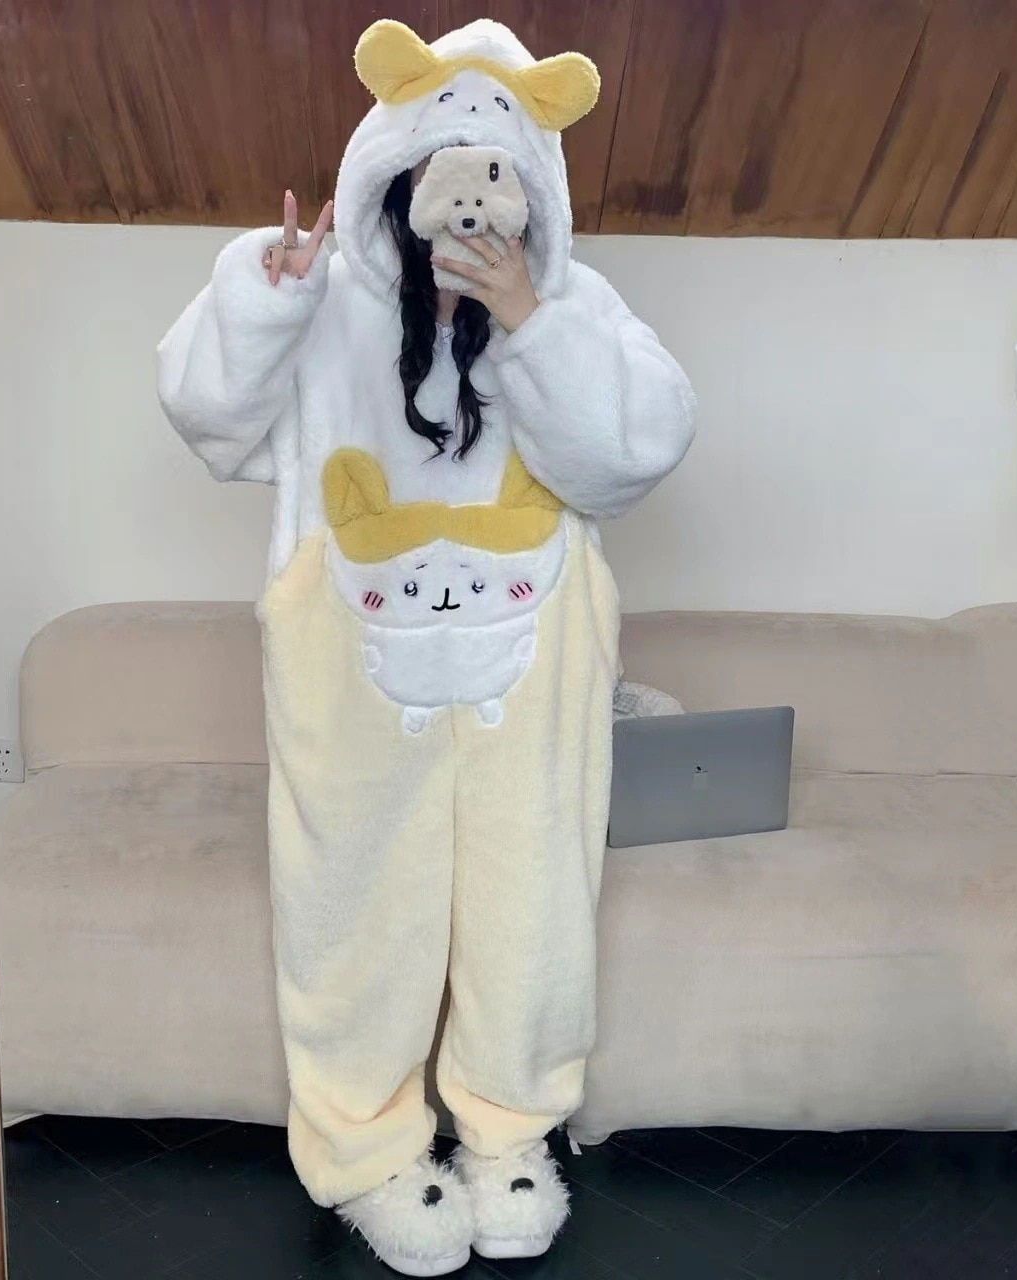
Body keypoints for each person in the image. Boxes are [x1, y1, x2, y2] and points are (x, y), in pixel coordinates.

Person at [157, 17, 695, 1276]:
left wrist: (528, 316)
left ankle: (510, 1131)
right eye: (435, 177)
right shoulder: (319, 298)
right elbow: (207, 419)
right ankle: (366, 1152)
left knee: (532, 913)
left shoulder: (571, 303)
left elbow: (633, 454)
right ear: (389, 180)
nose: (463, 207)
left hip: (532, 670)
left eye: (493, 180)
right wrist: (263, 300)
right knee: (353, 913)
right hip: (354, 671)